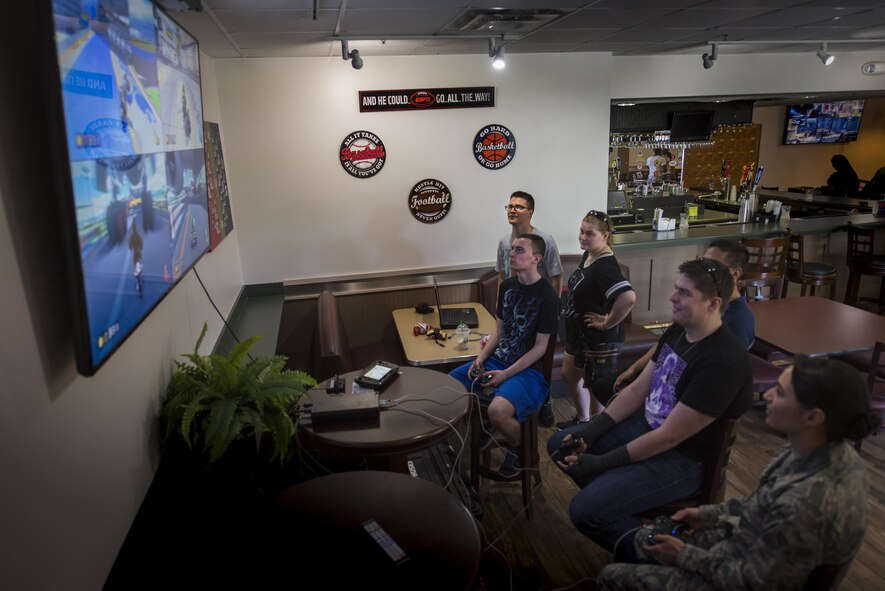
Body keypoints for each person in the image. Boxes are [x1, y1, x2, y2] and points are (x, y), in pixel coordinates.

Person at [596, 355, 881, 591]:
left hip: (744, 574)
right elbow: (761, 506)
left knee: (611, 577)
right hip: (746, 546)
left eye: (780, 393)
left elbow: (753, 582)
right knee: (642, 542)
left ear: (813, 417)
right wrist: (706, 515)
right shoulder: (813, 446)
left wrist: (684, 556)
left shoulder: (810, 502)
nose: (767, 395)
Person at [547, 258, 752, 562]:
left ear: (713, 303)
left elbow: (668, 438)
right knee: (560, 446)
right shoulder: (679, 330)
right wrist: (592, 430)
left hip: (684, 459)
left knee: (584, 511)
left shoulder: (722, 361)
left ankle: (666, 558)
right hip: (648, 428)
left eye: (684, 293)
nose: (672, 297)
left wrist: (601, 463)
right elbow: (637, 391)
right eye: (675, 289)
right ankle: (629, 509)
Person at [594, 239, 755, 408]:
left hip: (678, 394)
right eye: (703, 262)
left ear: (735, 273)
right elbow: (665, 343)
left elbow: (715, 382)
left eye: (712, 265)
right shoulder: (694, 307)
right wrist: (635, 368)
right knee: (603, 387)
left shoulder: (738, 321)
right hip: (663, 375)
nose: (702, 270)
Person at [452, 234, 559, 477]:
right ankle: (481, 431)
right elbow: (498, 331)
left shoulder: (548, 296)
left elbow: (540, 348)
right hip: (495, 359)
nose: (512, 254)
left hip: (528, 370)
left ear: (536, 258)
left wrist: (506, 374)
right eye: (511, 250)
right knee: (450, 387)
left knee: (497, 412)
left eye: (519, 250)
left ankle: (519, 448)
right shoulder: (508, 286)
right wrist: (480, 358)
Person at [556, 210, 636, 429]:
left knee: (596, 389)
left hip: (599, 340)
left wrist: (607, 322)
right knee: (568, 374)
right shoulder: (590, 255)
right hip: (580, 335)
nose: (582, 237)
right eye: (581, 231)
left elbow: (628, 297)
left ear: (605, 236)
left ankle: (592, 433)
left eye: (589, 234)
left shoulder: (605, 266)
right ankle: (583, 420)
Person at [496, 190, 563, 426]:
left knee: (537, 360)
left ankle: (544, 400)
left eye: (519, 207)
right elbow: (502, 277)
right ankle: (508, 397)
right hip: (514, 311)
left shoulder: (545, 241)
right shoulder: (505, 242)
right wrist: (500, 308)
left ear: (530, 212)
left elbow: (556, 276)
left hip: (539, 313)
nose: (512, 210)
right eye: (510, 206)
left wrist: (551, 309)